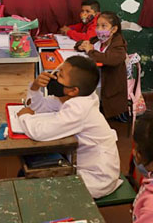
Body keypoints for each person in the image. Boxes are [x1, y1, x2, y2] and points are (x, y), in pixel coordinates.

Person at [17, 56, 121, 198]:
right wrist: (35, 87)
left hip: (96, 179)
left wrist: (24, 117)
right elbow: (38, 106)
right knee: (31, 168)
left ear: (73, 90)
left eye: (60, 75)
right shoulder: (74, 97)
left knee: (36, 184)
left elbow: (40, 132)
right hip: (81, 165)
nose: (53, 76)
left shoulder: (80, 108)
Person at [76, 11, 129, 121]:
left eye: (104, 26)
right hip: (96, 80)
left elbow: (109, 59)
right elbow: (84, 43)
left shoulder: (118, 44)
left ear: (114, 29)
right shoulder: (97, 40)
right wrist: (81, 45)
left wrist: (90, 51)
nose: (99, 29)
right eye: (98, 25)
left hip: (108, 85)